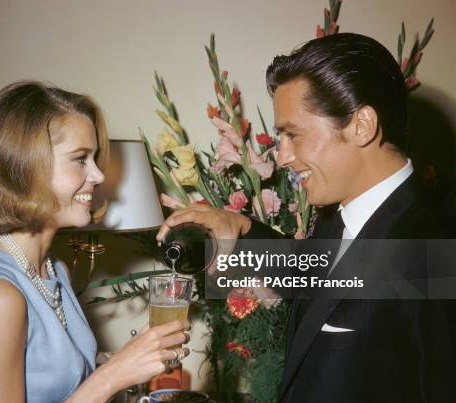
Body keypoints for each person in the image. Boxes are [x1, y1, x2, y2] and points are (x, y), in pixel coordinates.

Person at [157, 33, 455, 402]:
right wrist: (242, 228)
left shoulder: (437, 246)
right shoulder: (339, 217)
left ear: (361, 125)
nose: (282, 157)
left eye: (292, 135)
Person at [0, 81, 190, 403]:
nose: (99, 175)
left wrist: (123, 361)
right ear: (23, 169)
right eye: (80, 159)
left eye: (94, 158)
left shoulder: (52, 269)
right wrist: (113, 376)